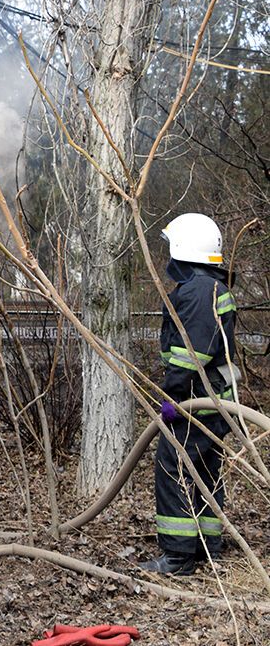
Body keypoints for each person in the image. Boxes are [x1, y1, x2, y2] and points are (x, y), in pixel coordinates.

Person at [140, 213, 238, 576]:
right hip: (215, 398)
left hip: (197, 398)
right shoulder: (214, 287)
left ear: (183, 249)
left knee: (174, 466)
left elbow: (190, 355)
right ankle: (206, 544)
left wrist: (173, 398)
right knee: (205, 469)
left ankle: (179, 555)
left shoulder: (198, 290)